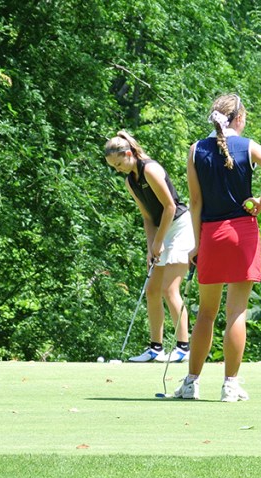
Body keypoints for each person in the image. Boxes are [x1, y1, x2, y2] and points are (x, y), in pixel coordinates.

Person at [171, 94, 261, 401]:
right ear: (239, 118)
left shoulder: (196, 149)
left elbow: (195, 202)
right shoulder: (247, 146)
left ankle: (192, 383)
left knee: (206, 314)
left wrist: (196, 244)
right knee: (236, 312)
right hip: (243, 233)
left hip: (211, 234)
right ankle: (230, 386)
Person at [104, 131, 194, 363]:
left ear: (128, 153)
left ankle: (184, 348)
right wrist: (150, 247)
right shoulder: (130, 181)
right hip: (161, 229)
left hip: (181, 226)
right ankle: (156, 348)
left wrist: (158, 241)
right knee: (152, 290)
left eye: (119, 163)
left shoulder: (150, 169)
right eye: (114, 166)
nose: (118, 169)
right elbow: (147, 216)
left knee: (169, 289)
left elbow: (170, 207)